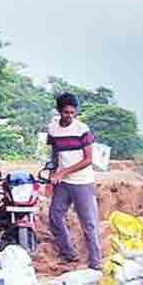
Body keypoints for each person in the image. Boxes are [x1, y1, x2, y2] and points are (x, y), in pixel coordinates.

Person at [47, 93, 101, 270]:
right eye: (66, 112)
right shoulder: (53, 129)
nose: (69, 115)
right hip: (62, 183)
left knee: (88, 223)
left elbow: (88, 159)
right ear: (58, 111)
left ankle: (95, 263)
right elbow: (55, 153)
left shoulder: (82, 129)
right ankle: (69, 254)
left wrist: (63, 172)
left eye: (72, 112)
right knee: (54, 217)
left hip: (82, 182)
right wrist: (52, 174)